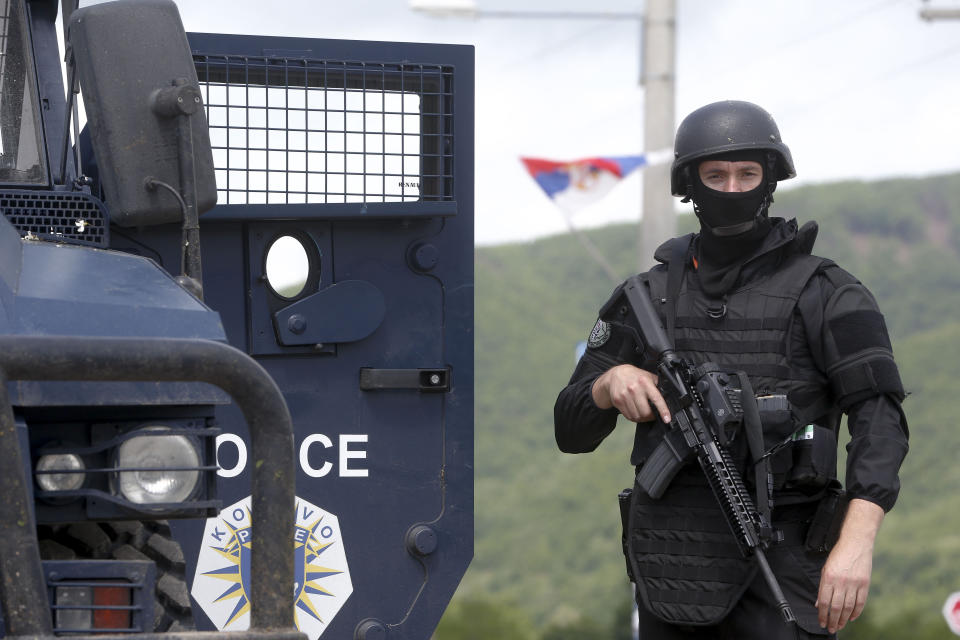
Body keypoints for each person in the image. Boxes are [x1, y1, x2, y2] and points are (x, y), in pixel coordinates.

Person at [554, 100, 908, 640]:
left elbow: (880, 422)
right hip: (675, 564)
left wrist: (856, 544)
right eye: (715, 174)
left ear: (770, 180)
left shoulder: (828, 292)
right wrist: (607, 384)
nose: (732, 188)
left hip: (787, 559)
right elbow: (569, 429)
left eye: (748, 173)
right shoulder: (645, 298)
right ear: (689, 184)